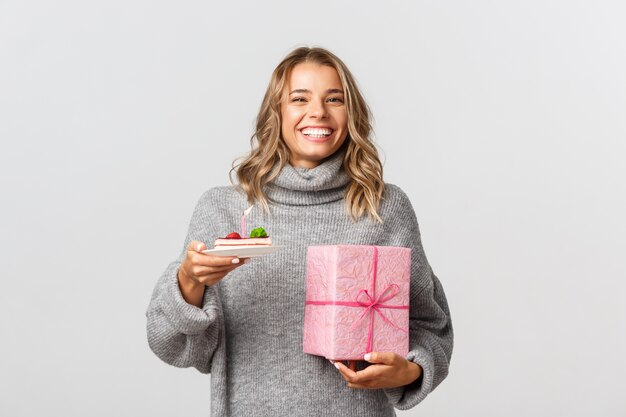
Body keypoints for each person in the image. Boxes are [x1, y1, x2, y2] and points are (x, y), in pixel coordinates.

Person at [146, 46, 453, 416]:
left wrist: (409, 370)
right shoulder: (225, 210)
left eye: (334, 99)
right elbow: (173, 344)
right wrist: (189, 280)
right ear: (276, 113)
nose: (318, 112)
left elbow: (430, 325)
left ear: (350, 112)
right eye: (299, 98)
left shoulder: (384, 207)